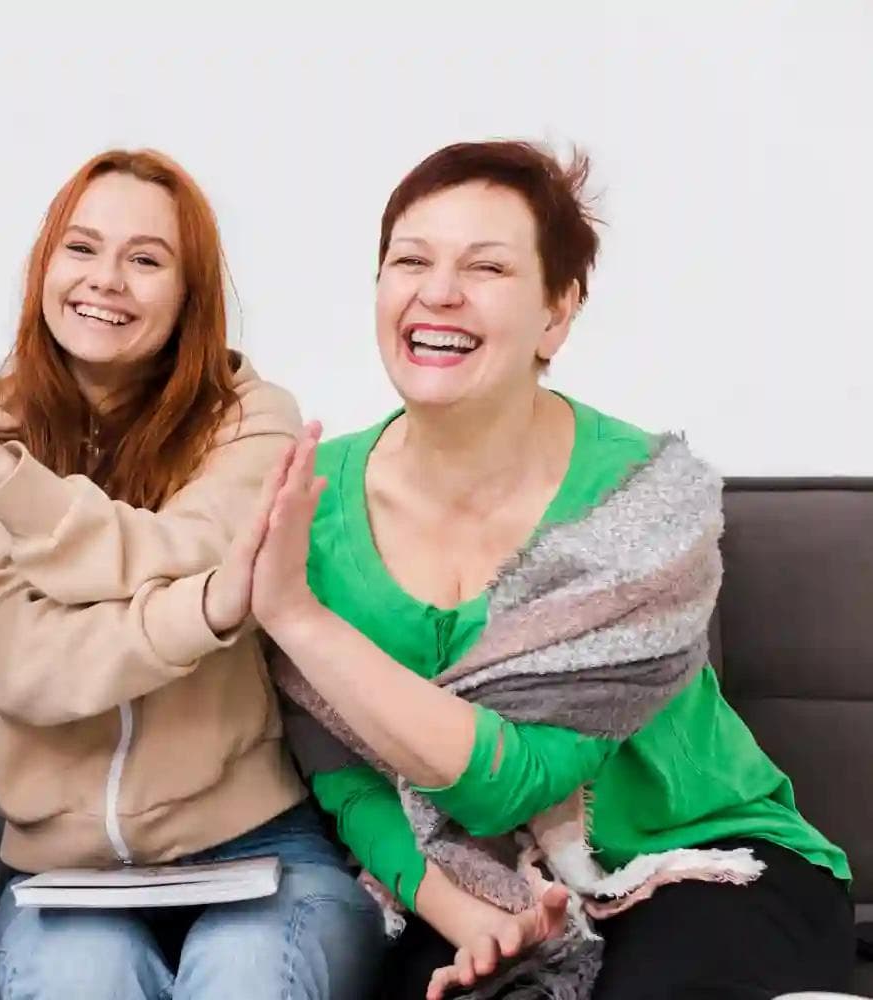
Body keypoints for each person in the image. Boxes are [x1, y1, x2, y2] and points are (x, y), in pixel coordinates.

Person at [224, 140, 855, 998]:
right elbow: (347, 779)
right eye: (410, 261)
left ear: (557, 314)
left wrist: (297, 618)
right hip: (471, 882)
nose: (438, 291)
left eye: (487, 267)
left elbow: (513, 783)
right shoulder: (311, 497)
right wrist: (470, 919)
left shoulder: (644, 500)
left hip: (702, 860)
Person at [0, 148, 384, 999]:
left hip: (260, 850)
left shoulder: (253, 417)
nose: (107, 280)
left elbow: (184, 549)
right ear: (45, 264)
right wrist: (206, 612)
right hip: (62, 879)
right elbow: (18, 662)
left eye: (145, 259)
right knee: (79, 978)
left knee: (247, 975)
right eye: (82, 248)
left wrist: (3, 480)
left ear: (189, 294)